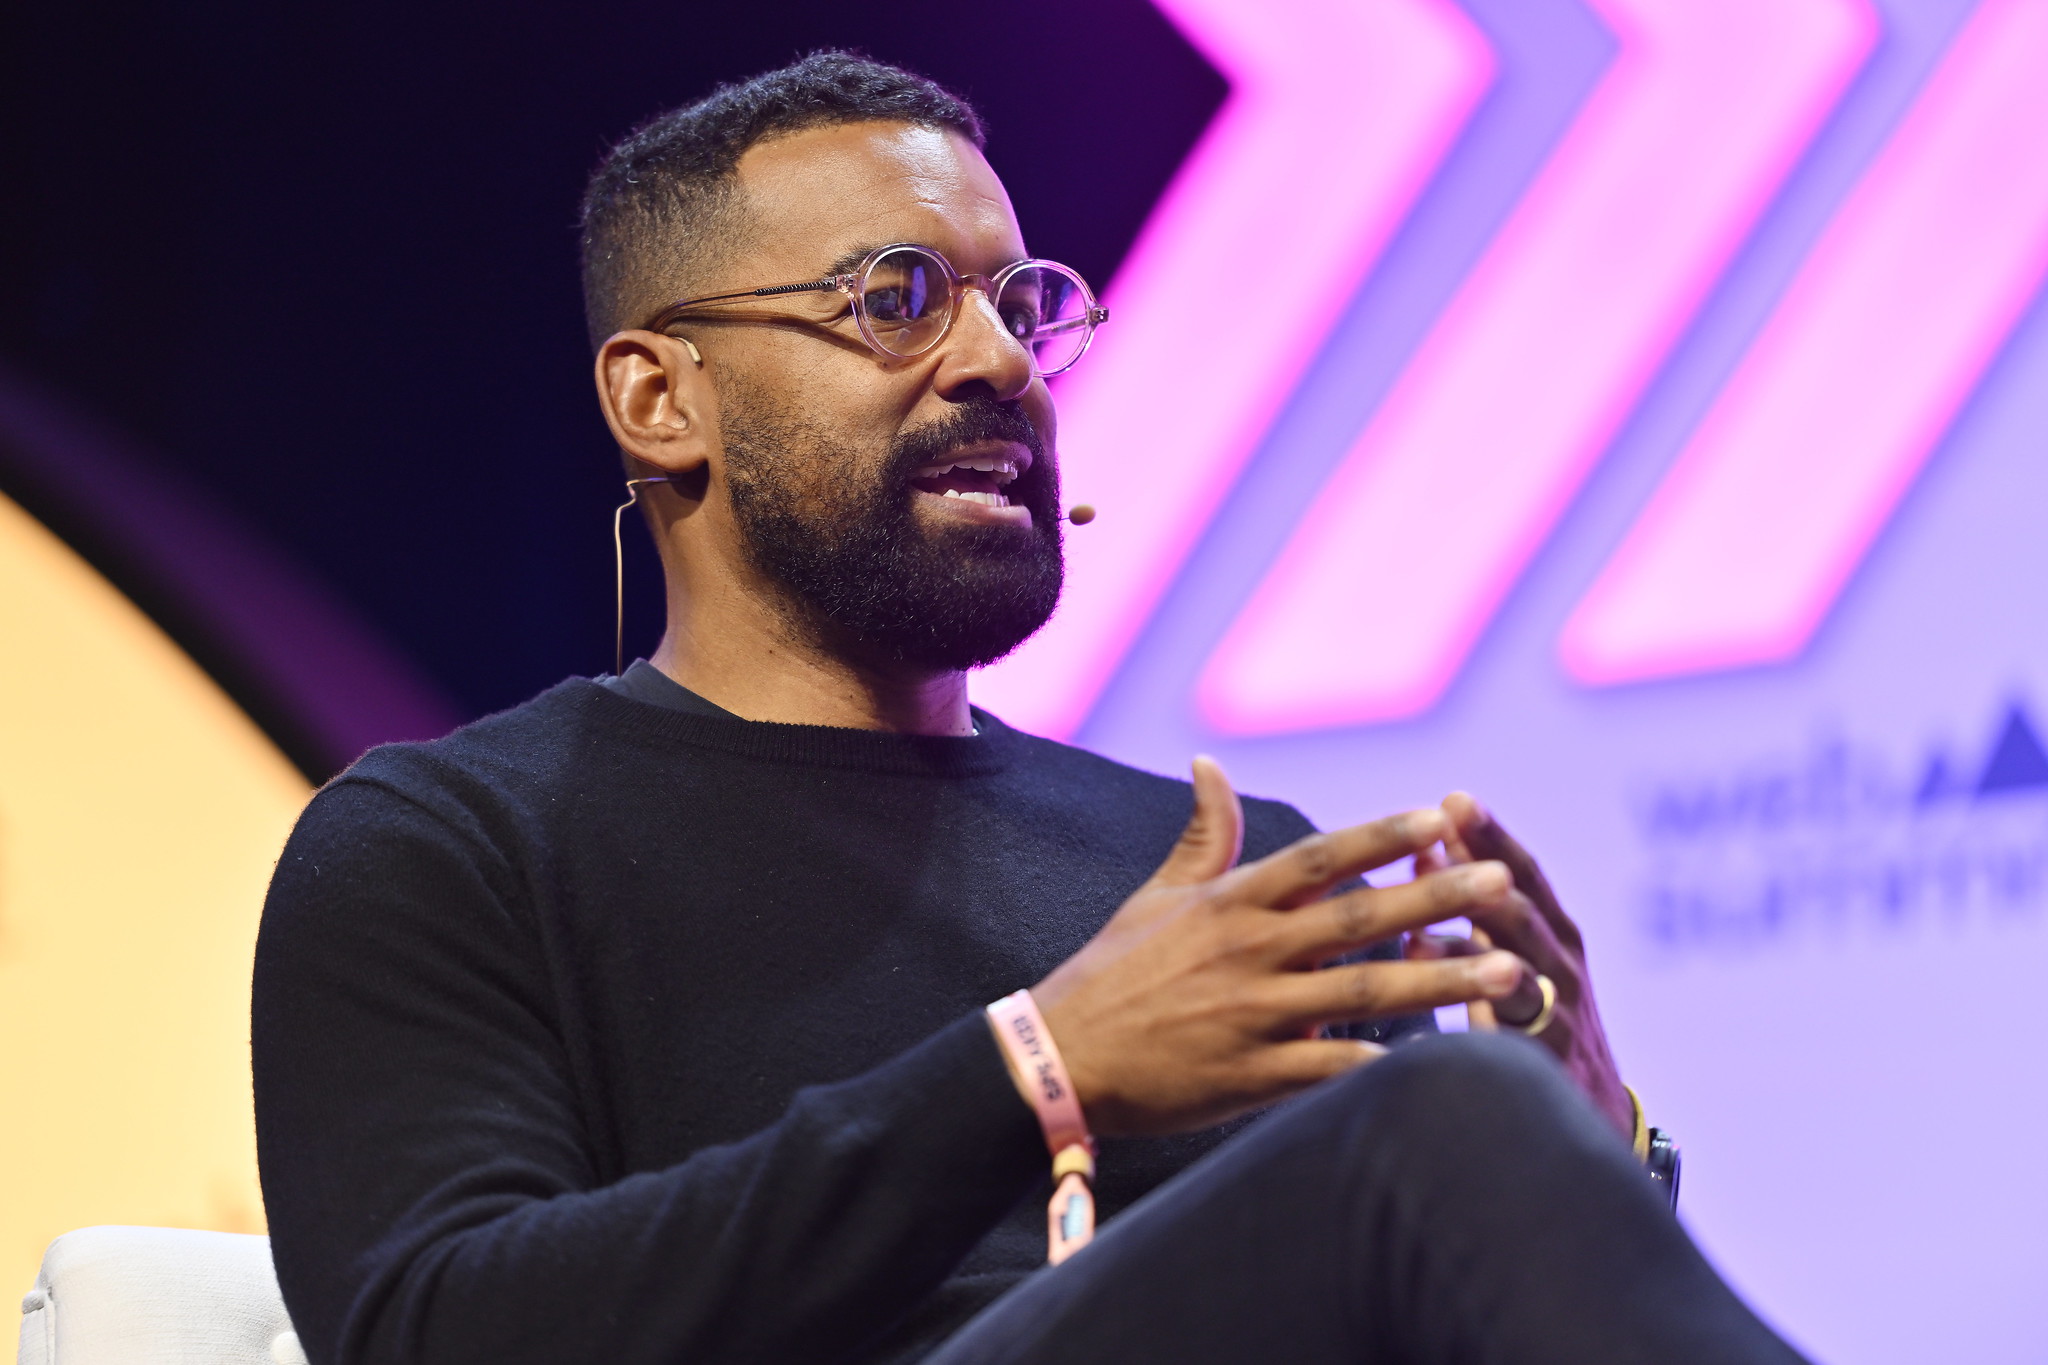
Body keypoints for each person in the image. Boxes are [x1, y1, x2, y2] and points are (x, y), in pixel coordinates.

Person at [251, 52, 1807, 1365]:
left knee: (1470, 1126)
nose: (1004, 363)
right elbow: (428, 1331)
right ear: (664, 398)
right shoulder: (452, 847)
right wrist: (1034, 1072)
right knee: (1445, 1128)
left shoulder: (1225, 871)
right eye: (899, 298)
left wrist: (1600, 1162)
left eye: (1024, 302)